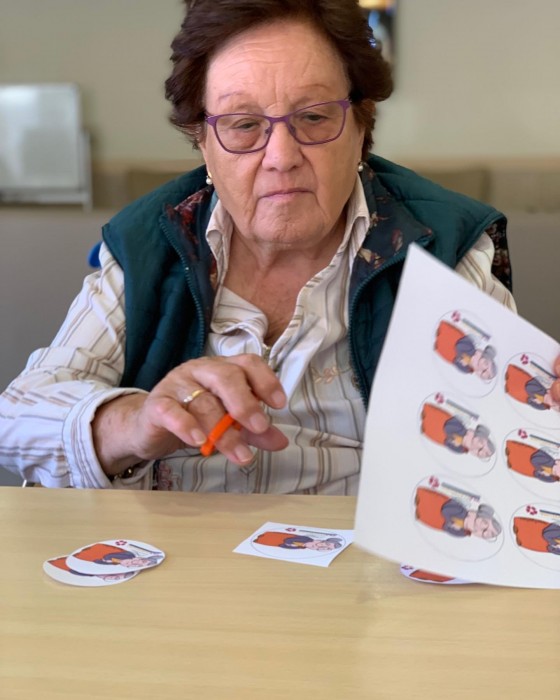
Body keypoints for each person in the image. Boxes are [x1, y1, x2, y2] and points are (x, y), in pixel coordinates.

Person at [0, 0, 515, 494]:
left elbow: (503, 454)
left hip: (362, 549)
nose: (281, 157)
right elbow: (18, 418)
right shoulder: (151, 242)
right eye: (244, 125)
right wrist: (134, 422)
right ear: (202, 142)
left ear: (361, 127)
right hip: (175, 548)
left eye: (314, 117)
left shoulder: (441, 246)